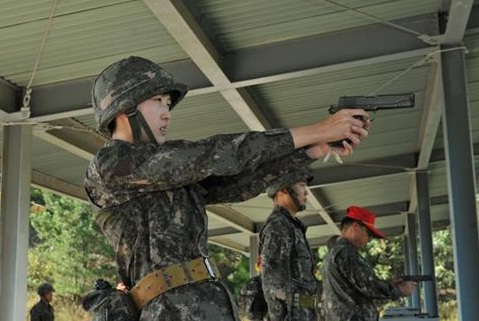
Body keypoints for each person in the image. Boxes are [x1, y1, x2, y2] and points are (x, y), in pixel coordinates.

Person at [84, 56, 370, 321]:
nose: (166, 113)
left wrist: (311, 152)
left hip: (207, 306)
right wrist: (318, 130)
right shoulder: (110, 164)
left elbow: (241, 182)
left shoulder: (170, 176)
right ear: (125, 109)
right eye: (157, 100)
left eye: (168, 104)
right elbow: (216, 155)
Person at [321, 206, 417, 321]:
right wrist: (399, 290)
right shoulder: (346, 253)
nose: (369, 239)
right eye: (369, 233)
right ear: (355, 227)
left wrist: (389, 283)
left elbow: (356, 287)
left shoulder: (334, 252)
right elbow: (369, 286)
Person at [259, 170, 318, 321]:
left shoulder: (292, 225)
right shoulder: (278, 226)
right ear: (284, 189)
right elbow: (273, 282)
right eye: (302, 185)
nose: (306, 193)